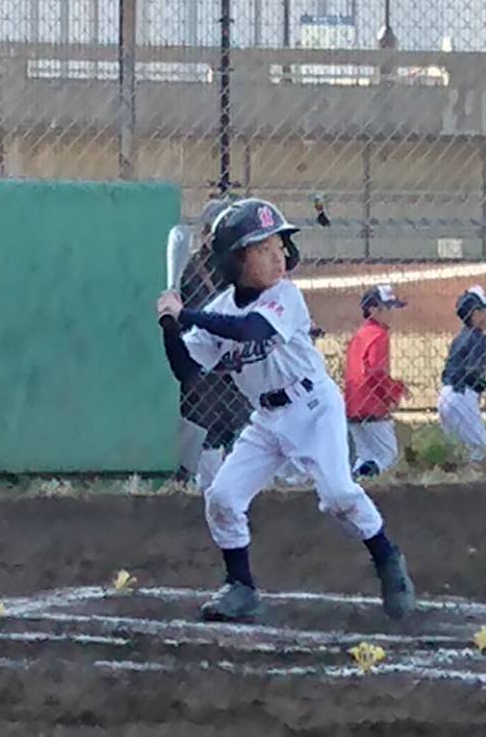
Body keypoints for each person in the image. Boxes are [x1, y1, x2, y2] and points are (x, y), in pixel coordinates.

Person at [155, 199, 414, 624]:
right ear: (236, 260)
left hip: (313, 407)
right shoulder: (219, 310)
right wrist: (169, 326)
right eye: (262, 249)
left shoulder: (285, 296)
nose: (278, 256)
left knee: (338, 495)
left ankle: (387, 558)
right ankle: (240, 587)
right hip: (267, 419)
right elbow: (185, 370)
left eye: (278, 244)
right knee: (221, 497)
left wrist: (187, 314)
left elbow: (251, 329)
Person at [175, 199, 252, 490]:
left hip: (233, 362)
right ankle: (204, 486)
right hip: (205, 360)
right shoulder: (194, 268)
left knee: (237, 427)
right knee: (208, 428)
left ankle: (229, 487)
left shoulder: (236, 267)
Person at [345, 285, 409, 478]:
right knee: (387, 455)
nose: (391, 314)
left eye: (392, 308)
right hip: (372, 404)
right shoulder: (379, 335)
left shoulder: (361, 334)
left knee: (364, 455)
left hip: (352, 404)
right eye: (386, 308)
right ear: (372, 310)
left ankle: (356, 481)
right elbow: (375, 371)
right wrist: (393, 392)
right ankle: (361, 478)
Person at [438, 286, 486, 463]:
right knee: (479, 451)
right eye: (484, 310)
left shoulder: (459, 337)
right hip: (462, 396)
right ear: (475, 314)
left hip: (445, 397)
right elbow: (471, 372)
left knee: (459, 451)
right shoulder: (480, 339)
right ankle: (475, 487)